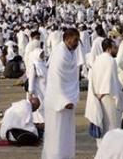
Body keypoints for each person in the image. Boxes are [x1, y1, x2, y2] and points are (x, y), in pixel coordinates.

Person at [42, 28, 81, 159]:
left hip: (69, 101)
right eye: (75, 40)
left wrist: (72, 98)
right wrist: (64, 100)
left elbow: (72, 78)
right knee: (56, 136)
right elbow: (56, 80)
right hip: (58, 103)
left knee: (66, 136)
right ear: (67, 38)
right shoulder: (59, 54)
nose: (77, 43)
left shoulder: (71, 53)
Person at [85, 38, 123, 142]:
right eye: (115, 48)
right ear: (109, 49)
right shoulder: (111, 61)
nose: (116, 50)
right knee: (112, 128)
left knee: (103, 127)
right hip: (109, 97)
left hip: (99, 97)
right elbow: (110, 81)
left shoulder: (97, 59)